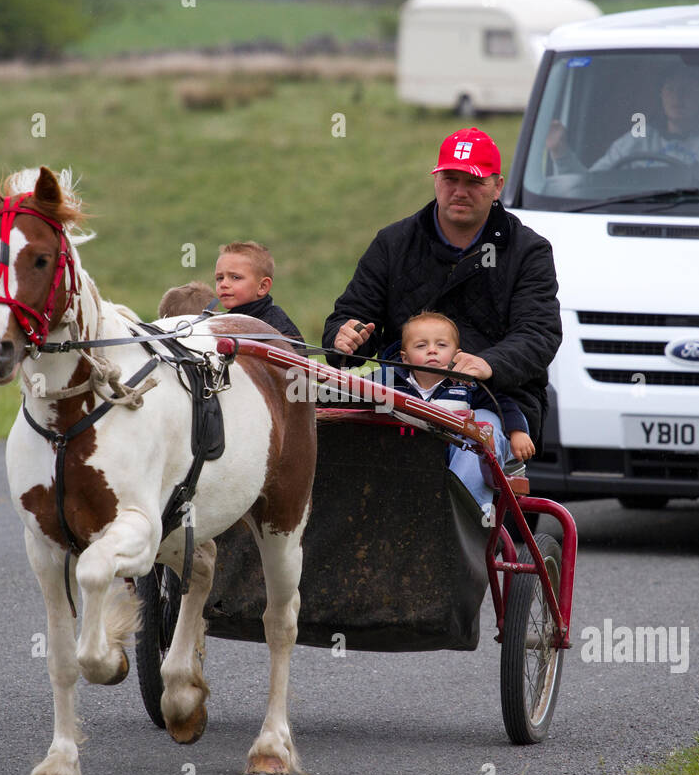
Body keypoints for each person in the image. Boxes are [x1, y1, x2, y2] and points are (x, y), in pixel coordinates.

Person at [322, 126, 560, 450]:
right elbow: (351, 317)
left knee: (472, 460)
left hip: (496, 401)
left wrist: (488, 364)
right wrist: (344, 338)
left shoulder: (528, 251)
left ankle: (476, 504)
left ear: (497, 187)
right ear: (436, 180)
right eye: (450, 179)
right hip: (400, 394)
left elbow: (539, 334)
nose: (460, 191)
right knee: (321, 427)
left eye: (474, 181)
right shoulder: (392, 243)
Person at [385, 311, 534, 507]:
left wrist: (518, 432)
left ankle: (465, 513)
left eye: (441, 345)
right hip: (403, 457)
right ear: (405, 358)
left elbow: (502, 405)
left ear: (457, 355)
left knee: (474, 439)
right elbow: (355, 394)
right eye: (421, 345)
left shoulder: (465, 384)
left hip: (451, 455)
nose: (432, 350)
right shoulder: (388, 382)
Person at [546, 65, 699, 173]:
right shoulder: (639, 137)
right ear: (661, 95)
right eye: (670, 89)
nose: (678, 97)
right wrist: (560, 152)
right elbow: (587, 184)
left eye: (688, 90)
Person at [214, 240, 303, 341]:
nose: (223, 284)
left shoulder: (281, 331)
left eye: (235, 277)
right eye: (220, 278)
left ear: (262, 287)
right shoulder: (220, 324)